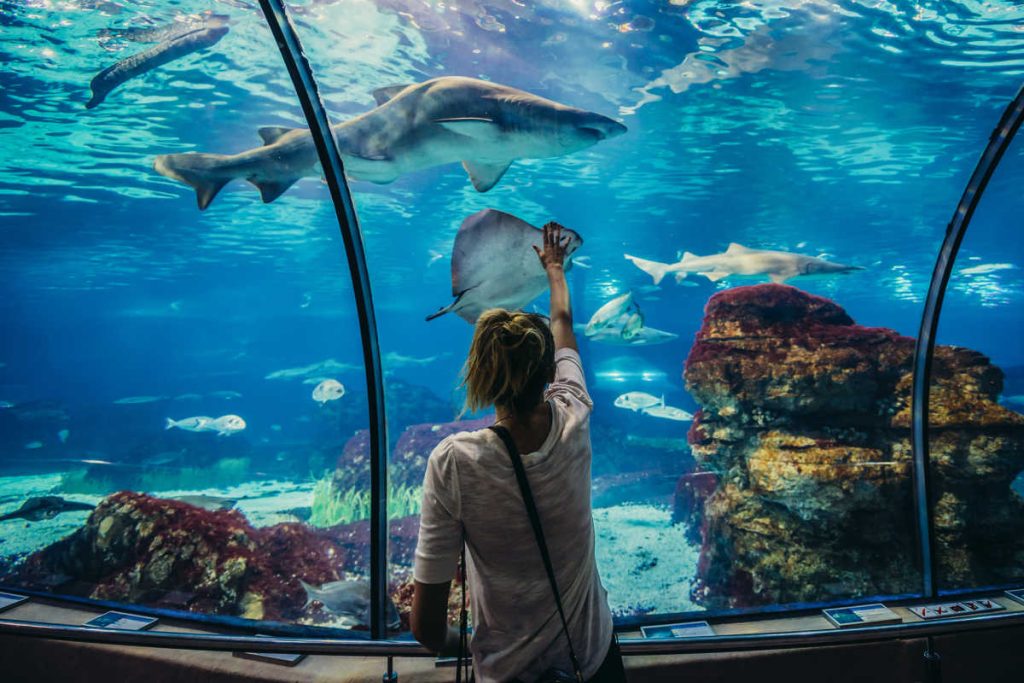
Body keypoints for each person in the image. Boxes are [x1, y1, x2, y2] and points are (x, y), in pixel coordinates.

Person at [411, 222, 626, 682]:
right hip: (591, 659)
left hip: (508, 671)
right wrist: (554, 269)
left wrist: (467, 648)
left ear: (480, 375)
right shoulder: (574, 413)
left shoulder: (454, 462)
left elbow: (426, 625)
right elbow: (563, 324)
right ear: (549, 368)